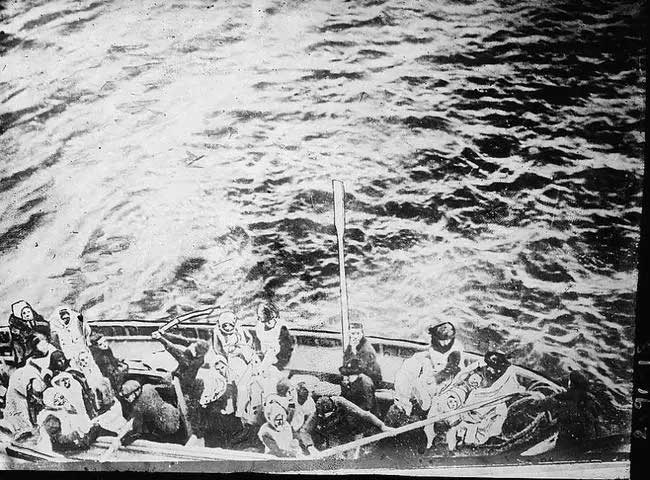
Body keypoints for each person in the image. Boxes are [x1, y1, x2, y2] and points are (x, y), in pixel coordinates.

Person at [440, 351, 524, 450]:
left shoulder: (507, 378)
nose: (489, 369)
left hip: (486, 412)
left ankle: (468, 442)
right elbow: (465, 378)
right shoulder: (481, 371)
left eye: (493, 368)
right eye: (489, 365)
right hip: (468, 409)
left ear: (500, 369)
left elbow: (505, 392)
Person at [388, 322, 465, 424]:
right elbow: (402, 384)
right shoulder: (418, 360)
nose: (445, 343)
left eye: (449, 341)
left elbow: (458, 382)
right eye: (442, 341)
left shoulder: (456, 359)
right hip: (412, 407)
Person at [532, 370, 602, 451]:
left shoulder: (561, 397)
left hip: (566, 441)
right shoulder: (590, 398)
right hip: (586, 438)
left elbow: (538, 406)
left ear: (571, 383)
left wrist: (536, 398)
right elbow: (596, 419)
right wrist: (598, 437)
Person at [299, 395, 391, 451]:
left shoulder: (341, 402)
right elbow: (304, 431)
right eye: (322, 415)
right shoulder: (317, 413)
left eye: (326, 415)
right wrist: (310, 447)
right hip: (331, 433)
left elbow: (364, 414)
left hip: (348, 428)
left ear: (334, 408)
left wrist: (382, 426)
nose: (323, 417)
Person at [34, 387, 105, 452]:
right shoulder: (51, 416)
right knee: (93, 432)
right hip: (61, 445)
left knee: (95, 428)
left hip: (69, 440)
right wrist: (74, 436)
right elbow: (57, 438)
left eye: (61, 397)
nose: (61, 400)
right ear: (50, 402)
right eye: (56, 400)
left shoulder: (62, 411)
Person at [119, 379, 182, 445]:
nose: (126, 399)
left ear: (136, 392)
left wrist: (122, 437)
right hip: (170, 410)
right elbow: (162, 386)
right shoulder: (147, 387)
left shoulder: (139, 405)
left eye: (127, 396)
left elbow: (132, 423)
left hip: (165, 421)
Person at [252, 301, 295, 373]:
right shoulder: (259, 325)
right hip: (264, 353)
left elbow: (286, 346)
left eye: (261, 314)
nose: (258, 317)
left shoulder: (281, 326)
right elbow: (258, 341)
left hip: (278, 356)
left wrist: (277, 361)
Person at [8, 300, 50, 366]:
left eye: (28, 311)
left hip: (42, 346)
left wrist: (37, 324)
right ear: (19, 315)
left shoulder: (38, 321)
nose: (27, 314)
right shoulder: (17, 327)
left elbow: (46, 326)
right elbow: (21, 339)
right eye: (24, 313)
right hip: (28, 350)